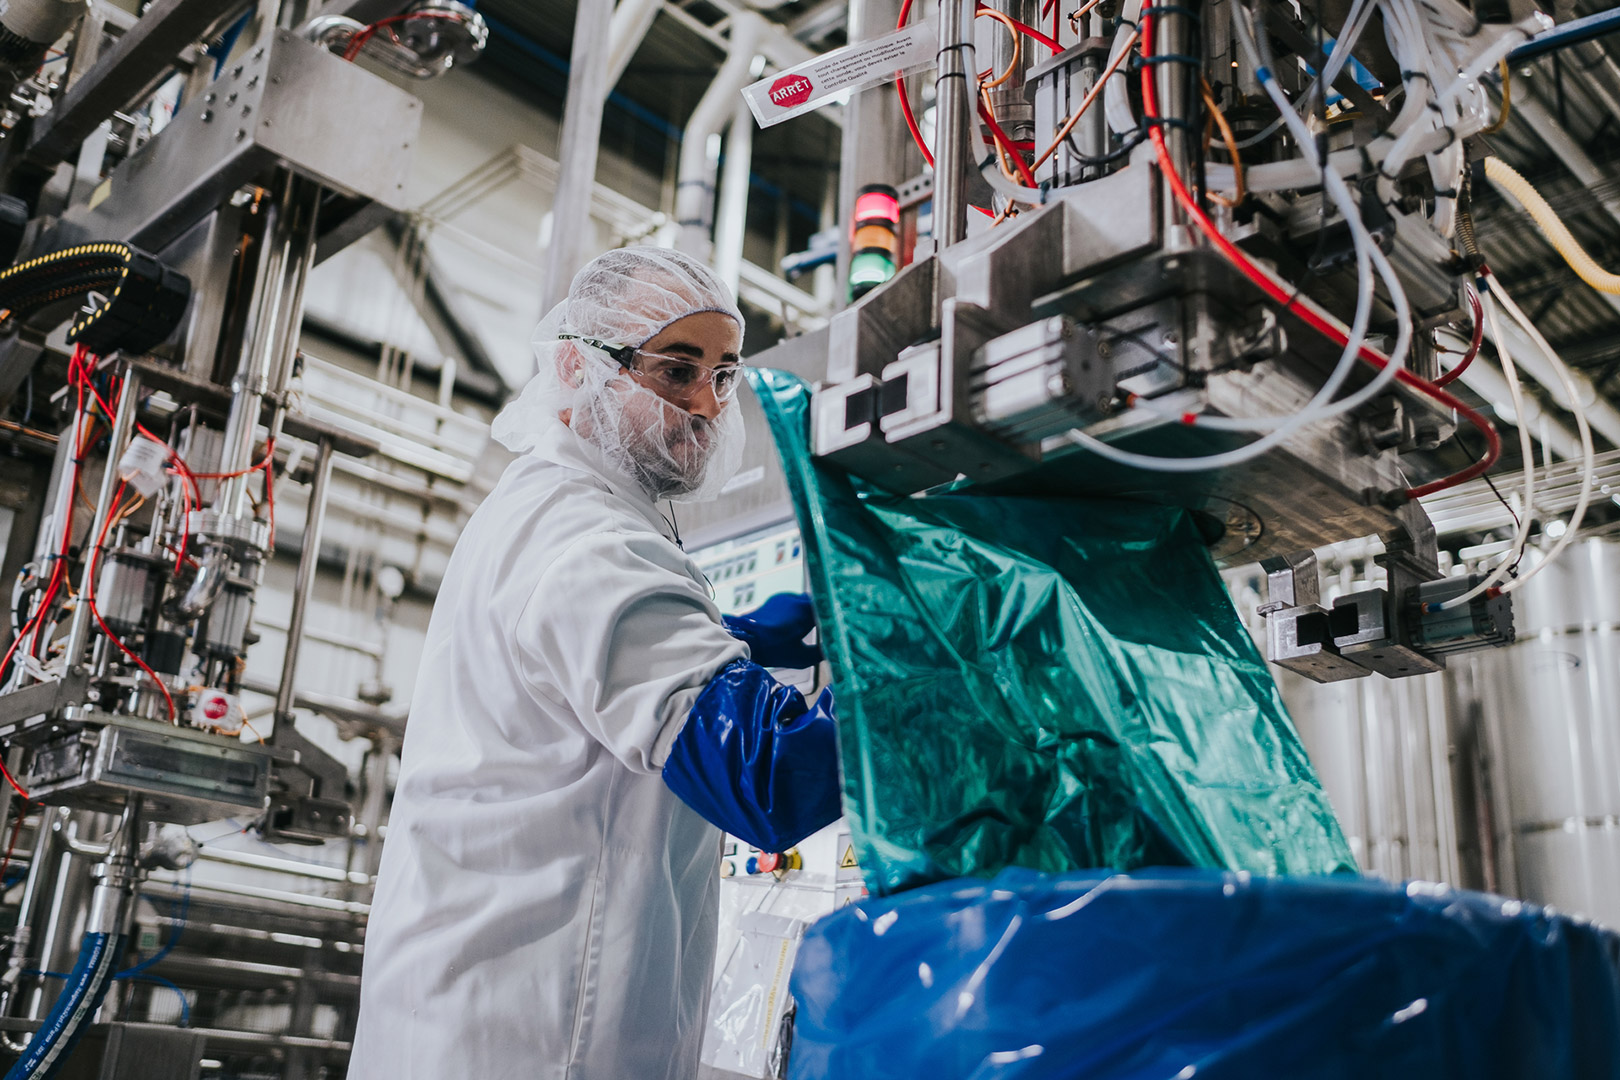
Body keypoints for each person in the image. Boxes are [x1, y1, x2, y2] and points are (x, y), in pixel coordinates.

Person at [348, 247, 843, 1080]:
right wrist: (931, 668)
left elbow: (589, 671)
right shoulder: (585, 539)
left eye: (723, 376)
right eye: (675, 369)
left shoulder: (553, 508)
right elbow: (766, 779)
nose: (704, 406)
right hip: (528, 1042)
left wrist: (744, 637)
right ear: (579, 365)